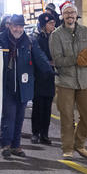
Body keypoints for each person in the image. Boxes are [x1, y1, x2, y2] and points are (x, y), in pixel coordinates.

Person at [0, 15, 52, 159]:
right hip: (6, 86)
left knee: (20, 117)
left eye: (21, 26)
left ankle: (16, 145)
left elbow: (40, 58)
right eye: (15, 26)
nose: (18, 29)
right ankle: (6, 145)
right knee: (9, 116)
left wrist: (49, 71)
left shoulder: (29, 40)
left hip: (24, 86)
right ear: (9, 26)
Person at [49, 3, 87, 159]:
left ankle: (79, 144)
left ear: (77, 15)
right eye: (66, 13)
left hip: (84, 81)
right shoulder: (56, 35)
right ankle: (67, 148)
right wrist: (76, 59)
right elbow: (57, 60)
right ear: (62, 16)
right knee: (67, 117)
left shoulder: (86, 31)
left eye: (72, 12)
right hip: (65, 82)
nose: (70, 15)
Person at [31, 13, 56, 145]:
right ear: (43, 25)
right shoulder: (36, 38)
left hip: (51, 76)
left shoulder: (55, 37)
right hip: (39, 76)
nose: (53, 26)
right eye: (50, 23)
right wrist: (49, 63)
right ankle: (35, 133)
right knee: (38, 106)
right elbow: (38, 56)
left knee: (47, 106)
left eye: (53, 23)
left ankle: (44, 134)